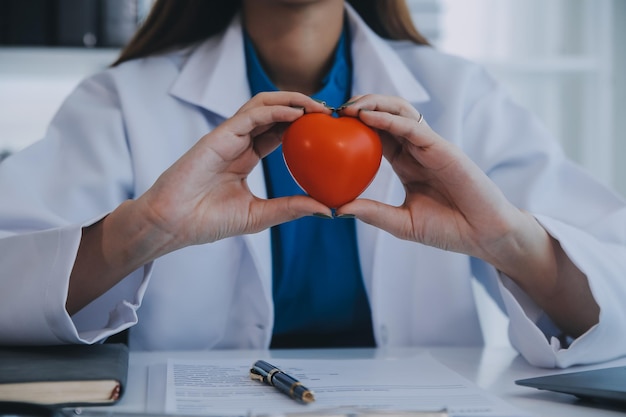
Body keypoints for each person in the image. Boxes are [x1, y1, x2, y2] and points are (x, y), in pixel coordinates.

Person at [0, 0, 624, 368]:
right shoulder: (119, 101)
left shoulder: (465, 95)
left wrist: (510, 245)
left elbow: (614, 286)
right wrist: (141, 232)